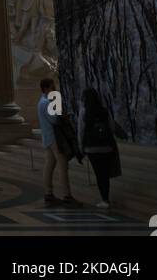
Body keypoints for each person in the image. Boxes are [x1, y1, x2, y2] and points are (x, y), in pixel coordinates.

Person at [38, 76, 82, 208]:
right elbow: (55, 120)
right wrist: (63, 115)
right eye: (52, 87)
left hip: (47, 137)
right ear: (46, 88)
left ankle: (48, 193)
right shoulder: (46, 103)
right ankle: (67, 195)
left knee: (49, 165)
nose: (54, 89)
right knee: (63, 166)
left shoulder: (42, 102)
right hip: (55, 138)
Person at [78, 88, 121, 209]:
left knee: (99, 174)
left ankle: (104, 199)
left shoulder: (84, 112)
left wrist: (81, 147)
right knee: (105, 174)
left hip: (91, 148)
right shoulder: (104, 111)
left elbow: (80, 131)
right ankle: (106, 198)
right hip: (106, 147)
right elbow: (112, 127)